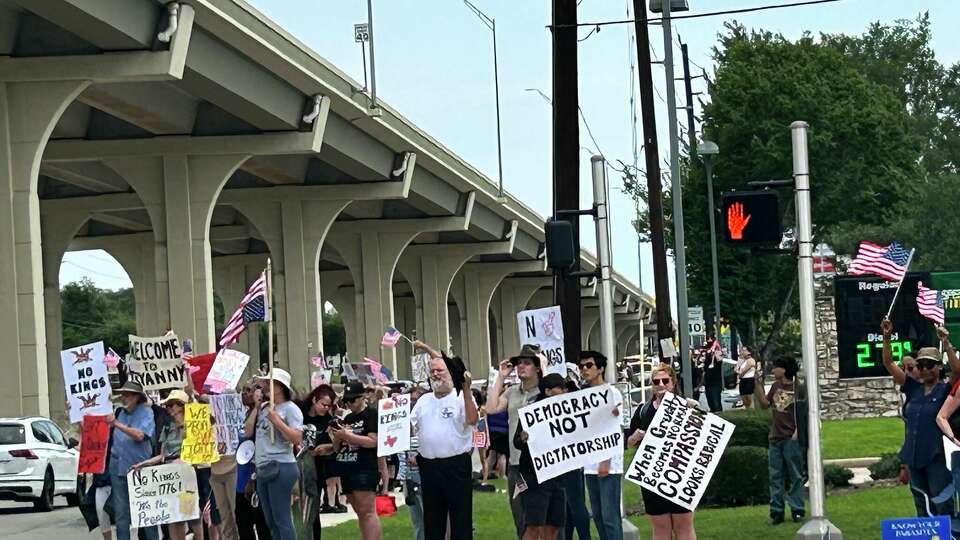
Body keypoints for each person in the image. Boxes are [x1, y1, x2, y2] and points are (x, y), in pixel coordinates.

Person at [883, 319, 959, 518]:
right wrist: (887, 337)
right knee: (921, 505)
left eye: (930, 365)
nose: (925, 369)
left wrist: (946, 343)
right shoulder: (913, 388)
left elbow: (958, 372)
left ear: (939, 367)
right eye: (921, 365)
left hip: (937, 456)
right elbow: (889, 363)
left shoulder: (945, 390)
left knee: (942, 503)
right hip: (914, 456)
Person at [410, 339, 478, 540]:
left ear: (451, 374)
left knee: (460, 517)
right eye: (432, 371)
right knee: (432, 518)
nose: (435, 374)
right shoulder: (423, 400)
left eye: (440, 370)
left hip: (455, 465)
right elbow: (411, 428)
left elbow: (472, 419)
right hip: (429, 466)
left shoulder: (460, 396)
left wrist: (466, 389)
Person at [626, 363, 697, 540]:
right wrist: (635, 436)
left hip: (680, 473)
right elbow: (628, 443)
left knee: (683, 525)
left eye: (665, 380)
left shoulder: (686, 407)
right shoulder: (643, 410)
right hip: (651, 475)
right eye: (656, 381)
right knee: (660, 527)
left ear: (673, 382)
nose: (661, 384)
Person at [130, 390, 206, 540]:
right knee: (173, 515)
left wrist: (185, 460)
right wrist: (144, 464)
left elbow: (200, 451)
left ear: (181, 406)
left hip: (187, 474)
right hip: (169, 475)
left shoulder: (194, 425)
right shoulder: (167, 427)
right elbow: (162, 455)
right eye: (168, 405)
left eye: (172, 405)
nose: (169, 408)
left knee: (190, 512)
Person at [486, 345, 544, 538]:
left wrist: (545, 369)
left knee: (544, 519)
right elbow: (491, 408)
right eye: (519, 363)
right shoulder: (512, 392)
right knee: (520, 517)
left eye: (527, 363)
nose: (521, 366)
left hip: (540, 464)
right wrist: (500, 377)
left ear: (537, 367)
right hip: (516, 464)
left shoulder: (546, 391)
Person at [243, 369, 303, 540]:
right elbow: (248, 432)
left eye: (268, 382)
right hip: (263, 467)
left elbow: (296, 438)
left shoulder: (291, 409)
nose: (263, 386)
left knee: (281, 518)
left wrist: (277, 422)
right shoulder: (264, 408)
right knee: (270, 520)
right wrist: (256, 407)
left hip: (281, 465)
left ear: (279, 386)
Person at [514, 373, 568, 540]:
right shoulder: (531, 413)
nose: (566, 391)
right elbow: (516, 442)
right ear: (549, 391)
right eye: (562, 388)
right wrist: (523, 438)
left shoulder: (567, 412)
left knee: (553, 526)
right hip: (534, 477)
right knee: (534, 526)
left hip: (557, 476)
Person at [577, 351, 624, 540]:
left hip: (609, 465)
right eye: (581, 367)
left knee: (609, 517)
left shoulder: (611, 393)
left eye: (589, 366)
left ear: (601, 368)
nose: (584, 370)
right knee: (596, 515)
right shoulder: (582, 395)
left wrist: (605, 460)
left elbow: (614, 428)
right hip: (589, 464)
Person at [755, 356, 806, 525]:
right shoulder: (776, 386)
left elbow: (803, 413)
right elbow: (764, 404)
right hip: (775, 438)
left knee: (795, 476)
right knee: (775, 476)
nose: (773, 370)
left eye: (776, 367)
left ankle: (797, 509)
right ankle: (776, 512)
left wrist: (797, 433)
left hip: (790, 438)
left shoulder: (798, 388)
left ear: (784, 370)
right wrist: (757, 384)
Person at [107, 381, 158, 540]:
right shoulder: (119, 412)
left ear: (137, 397)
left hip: (140, 470)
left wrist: (116, 423)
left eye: (128, 395)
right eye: (123, 394)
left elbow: (140, 435)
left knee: (146, 514)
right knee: (121, 515)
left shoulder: (146, 412)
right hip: (118, 468)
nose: (124, 398)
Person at [331, 381, 381, 540]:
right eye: (346, 400)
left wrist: (349, 436)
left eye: (352, 400)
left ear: (363, 397)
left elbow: (373, 441)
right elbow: (338, 448)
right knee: (360, 512)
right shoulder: (349, 417)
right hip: (347, 466)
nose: (349, 404)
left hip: (364, 468)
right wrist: (337, 438)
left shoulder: (371, 414)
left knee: (367, 512)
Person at [299, 384, 338, 540]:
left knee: (313, 508)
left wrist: (326, 447)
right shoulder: (301, 414)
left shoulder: (328, 421)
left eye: (328, 406)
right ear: (314, 400)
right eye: (323, 404)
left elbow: (336, 446)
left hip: (316, 469)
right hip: (298, 465)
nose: (325, 408)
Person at [235, 379, 271, 540]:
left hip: (256, 475)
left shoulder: (264, 414)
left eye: (250, 390)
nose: (245, 393)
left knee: (262, 523)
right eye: (244, 390)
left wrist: (257, 407)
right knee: (243, 523)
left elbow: (249, 432)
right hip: (241, 476)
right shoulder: (239, 413)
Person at [401, 385, 428, 540]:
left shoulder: (428, 419)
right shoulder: (404, 422)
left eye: (415, 400)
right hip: (408, 475)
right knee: (417, 520)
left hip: (424, 472)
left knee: (430, 516)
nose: (412, 404)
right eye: (410, 400)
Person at [702, 336, 724, 413]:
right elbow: (704, 371)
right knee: (710, 401)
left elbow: (720, 359)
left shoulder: (717, 356)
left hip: (716, 384)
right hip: (708, 383)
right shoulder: (707, 359)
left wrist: (715, 350)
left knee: (716, 402)